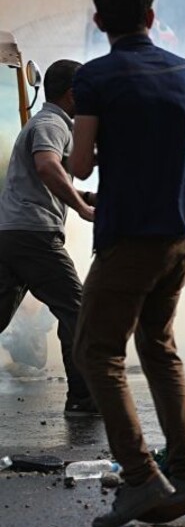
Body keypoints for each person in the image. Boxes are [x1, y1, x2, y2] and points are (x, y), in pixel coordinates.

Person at [69, 0, 185, 527]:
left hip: (128, 235)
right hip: (178, 236)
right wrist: (162, 160)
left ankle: (139, 478)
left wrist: (117, 159)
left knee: (97, 352)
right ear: (151, 17)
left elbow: (80, 163)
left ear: (99, 21)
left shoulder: (95, 77)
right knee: (158, 346)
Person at [0, 59, 97, 416]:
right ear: (73, 94)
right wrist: (81, 208)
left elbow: (46, 178)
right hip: (34, 235)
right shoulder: (52, 123)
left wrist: (88, 197)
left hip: (13, 232)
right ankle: (84, 398)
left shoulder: (47, 123)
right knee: (78, 311)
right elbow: (46, 166)